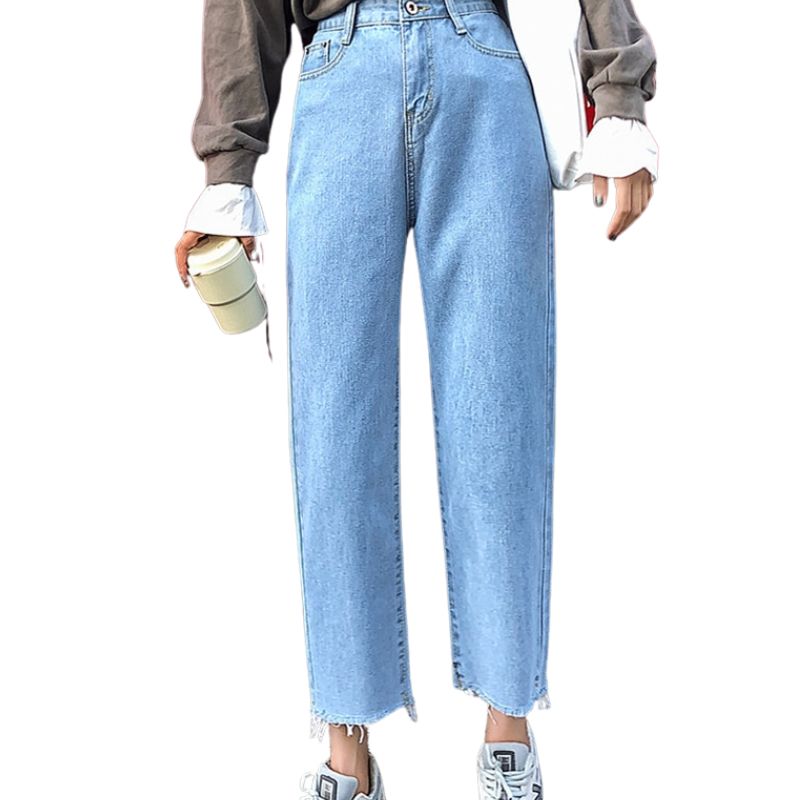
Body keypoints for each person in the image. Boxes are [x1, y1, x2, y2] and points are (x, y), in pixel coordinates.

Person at [174, 1, 657, 798]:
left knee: (500, 423)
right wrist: (226, 172)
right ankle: (347, 752)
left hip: (482, 68)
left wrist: (619, 94)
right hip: (339, 68)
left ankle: (508, 737)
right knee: (334, 432)